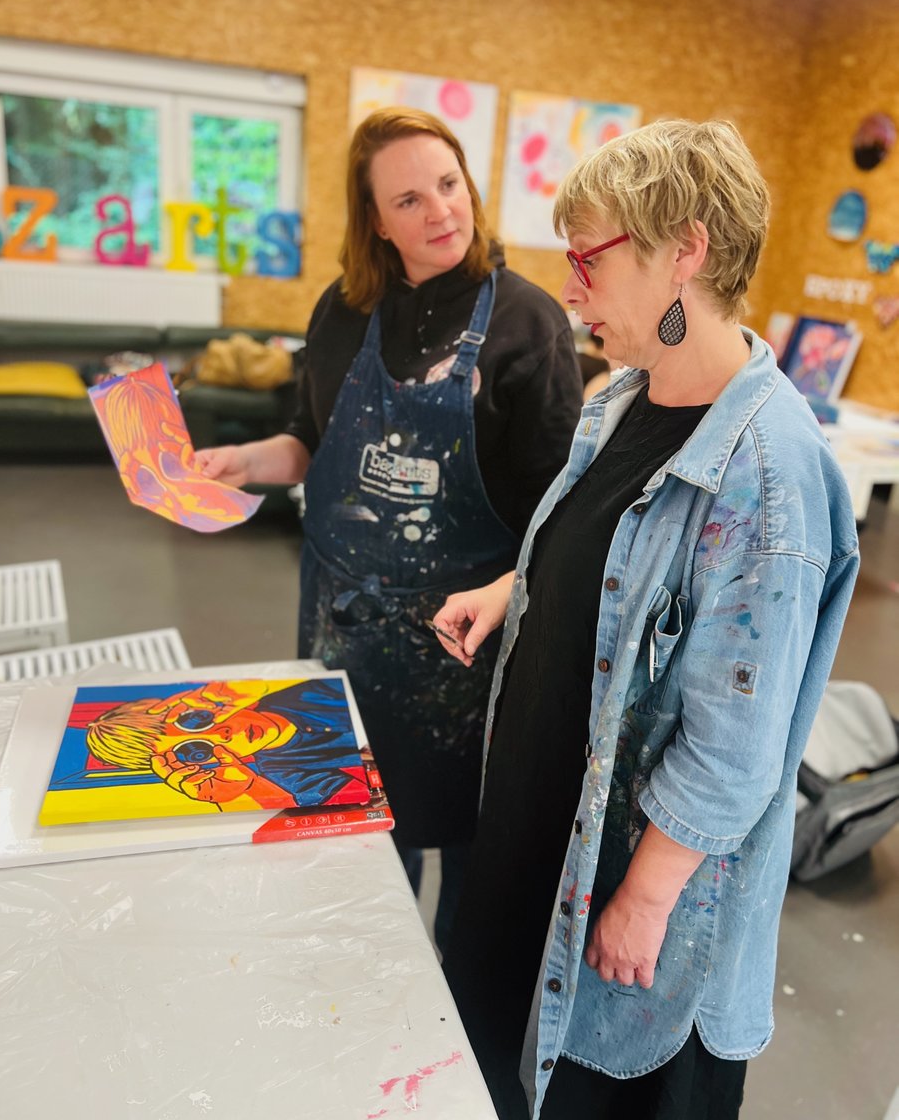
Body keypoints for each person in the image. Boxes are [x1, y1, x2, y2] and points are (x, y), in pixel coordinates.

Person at [431, 119, 860, 1119]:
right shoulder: (623, 398)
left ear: (686, 253)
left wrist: (646, 897)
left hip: (631, 919)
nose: (570, 288)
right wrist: (518, 590)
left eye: (588, 259)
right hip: (541, 844)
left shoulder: (768, 476)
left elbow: (737, 744)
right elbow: (615, 559)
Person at [196, 107, 583, 948]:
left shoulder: (529, 325)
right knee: (353, 863)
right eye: (409, 200)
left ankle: (454, 1007)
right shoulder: (342, 311)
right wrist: (242, 462)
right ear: (374, 220)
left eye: (449, 184)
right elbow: (307, 440)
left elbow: (560, 520)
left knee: (470, 867)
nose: (441, 211)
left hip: (465, 657)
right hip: (344, 638)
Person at [86, 678, 368, 810]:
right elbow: (364, 806)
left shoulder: (300, 690)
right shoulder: (284, 774)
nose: (222, 735)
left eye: (196, 720)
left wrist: (252, 689)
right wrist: (252, 788)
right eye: (197, 751)